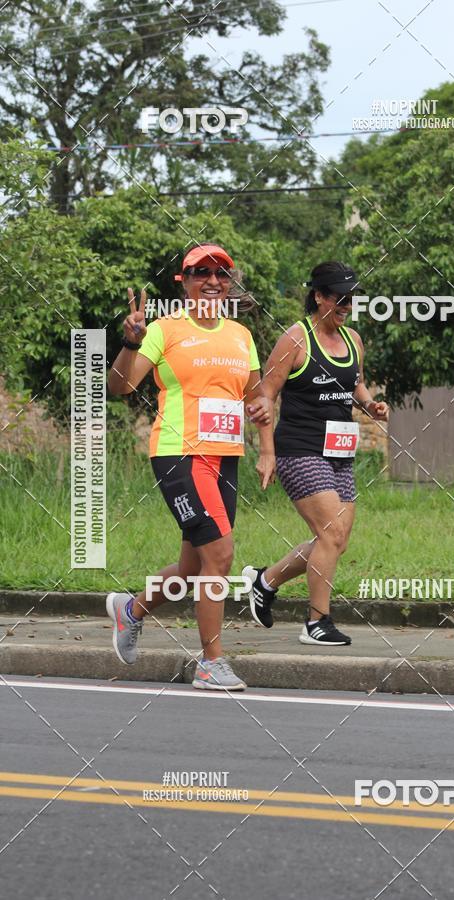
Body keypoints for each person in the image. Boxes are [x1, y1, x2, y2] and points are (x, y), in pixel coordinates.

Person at [106, 243, 275, 690]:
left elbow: (257, 398)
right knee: (220, 555)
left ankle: (130, 610)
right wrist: (131, 341)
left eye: (221, 274)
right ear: (183, 281)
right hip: (179, 454)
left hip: (225, 457)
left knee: (193, 567)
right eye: (202, 273)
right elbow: (120, 386)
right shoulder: (164, 329)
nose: (213, 281)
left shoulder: (240, 335)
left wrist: (267, 449)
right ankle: (210, 663)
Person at [243, 261, 388, 645]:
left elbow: (355, 383)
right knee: (330, 532)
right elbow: (265, 394)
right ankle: (317, 623)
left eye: (351, 299)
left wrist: (371, 405)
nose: (346, 305)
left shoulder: (353, 340)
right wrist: (266, 450)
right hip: (299, 448)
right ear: (319, 296)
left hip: (340, 451)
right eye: (340, 298)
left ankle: (265, 581)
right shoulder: (295, 339)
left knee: (336, 541)